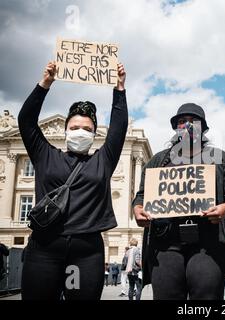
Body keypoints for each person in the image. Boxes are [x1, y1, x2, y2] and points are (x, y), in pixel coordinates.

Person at [19, 61, 128, 300]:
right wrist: (45, 84)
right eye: (75, 127)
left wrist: (119, 90)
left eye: (87, 129)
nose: (81, 131)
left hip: (85, 254)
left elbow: (119, 130)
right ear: (66, 130)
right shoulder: (44, 154)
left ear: (94, 134)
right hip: (44, 249)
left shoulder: (103, 160)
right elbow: (26, 122)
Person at [132, 103, 225, 300]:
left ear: (203, 127)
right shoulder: (158, 161)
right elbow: (141, 195)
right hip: (166, 245)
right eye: (181, 121)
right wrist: (137, 208)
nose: (187, 125)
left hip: (209, 244)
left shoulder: (221, 159)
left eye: (192, 122)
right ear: (176, 128)